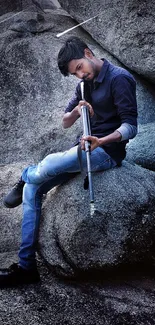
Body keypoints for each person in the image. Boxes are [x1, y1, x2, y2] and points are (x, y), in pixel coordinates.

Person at [0, 36, 137, 287]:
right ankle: (26, 267)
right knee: (33, 190)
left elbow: (131, 127)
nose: (79, 75)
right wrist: (76, 111)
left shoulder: (120, 79)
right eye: (75, 73)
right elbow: (65, 122)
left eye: (79, 68)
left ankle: (25, 174)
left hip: (106, 153)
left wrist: (101, 140)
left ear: (87, 53)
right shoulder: (83, 86)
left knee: (47, 165)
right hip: (81, 150)